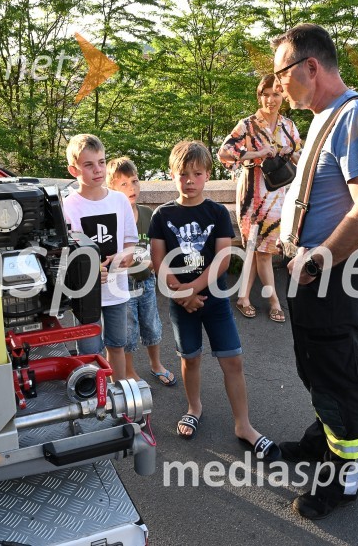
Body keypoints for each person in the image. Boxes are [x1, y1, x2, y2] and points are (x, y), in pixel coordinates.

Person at [271, 23, 358, 519]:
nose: (277, 84)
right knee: (315, 365)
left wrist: (319, 256)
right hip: (309, 273)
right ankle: (323, 437)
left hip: (331, 274)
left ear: (310, 67)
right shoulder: (325, 117)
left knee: (336, 373)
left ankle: (345, 474)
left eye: (281, 73)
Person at [148, 140, 280, 461]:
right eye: (183, 174)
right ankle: (194, 407)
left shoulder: (217, 212)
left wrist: (191, 289)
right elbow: (158, 262)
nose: (190, 180)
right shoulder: (161, 215)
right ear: (172, 174)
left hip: (215, 301)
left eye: (197, 173)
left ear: (208, 174)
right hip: (182, 305)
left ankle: (244, 425)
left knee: (232, 361)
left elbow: (222, 260)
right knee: (190, 358)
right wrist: (182, 294)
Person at [218, 75, 301, 323]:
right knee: (262, 250)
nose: (271, 99)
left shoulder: (288, 126)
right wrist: (258, 153)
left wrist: (289, 152)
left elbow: (301, 159)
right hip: (252, 194)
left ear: (283, 96)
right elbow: (224, 153)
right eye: (265, 93)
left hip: (278, 195)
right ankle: (274, 300)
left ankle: (243, 296)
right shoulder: (246, 125)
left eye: (276, 93)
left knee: (258, 248)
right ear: (259, 95)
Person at [63, 134, 139, 382]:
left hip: (117, 290)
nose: (98, 170)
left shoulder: (119, 200)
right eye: (89, 165)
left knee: (117, 344)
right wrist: (88, 271)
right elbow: (66, 253)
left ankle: (118, 393)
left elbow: (130, 241)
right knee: (89, 350)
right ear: (74, 169)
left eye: (102, 162)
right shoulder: (68, 206)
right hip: (86, 294)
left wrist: (125, 257)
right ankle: (96, 397)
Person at [106, 157, 177, 387]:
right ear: (112, 189)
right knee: (127, 330)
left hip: (146, 282)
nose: (131, 188)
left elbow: (157, 248)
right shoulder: (112, 217)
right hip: (122, 284)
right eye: (123, 184)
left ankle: (156, 364)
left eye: (134, 181)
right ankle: (129, 371)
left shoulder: (148, 214)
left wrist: (152, 263)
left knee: (152, 325)